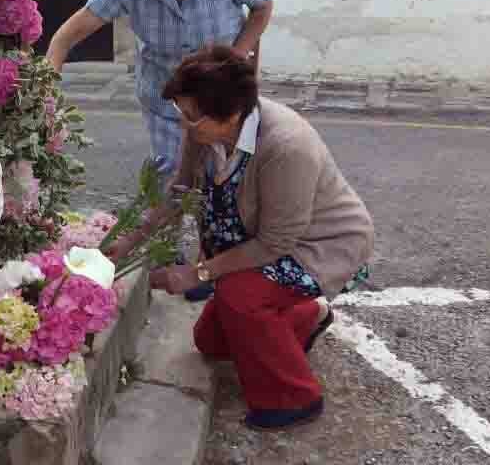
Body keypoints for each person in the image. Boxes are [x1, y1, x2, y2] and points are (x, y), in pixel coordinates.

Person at [108, 47, 373, 430]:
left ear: (231, 116)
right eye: (182, 113)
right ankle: (307, 316)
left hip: (316, 247)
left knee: (239, 295)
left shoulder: (286, 147)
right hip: (262, 242)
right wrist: (131, 238)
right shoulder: (205, 130)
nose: (183, 124)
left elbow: (275, 244)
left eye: (190, 117)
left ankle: (296, 398)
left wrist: (198, 273)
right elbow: (181, 189)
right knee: (212, 343)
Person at [45, 0, 273, 178]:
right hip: (166, 105)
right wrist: (46, 96)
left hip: (223, 102)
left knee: (230, 183)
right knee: (174, 185)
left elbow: (262, 7)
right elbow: (65, 37)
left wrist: (236, 59)